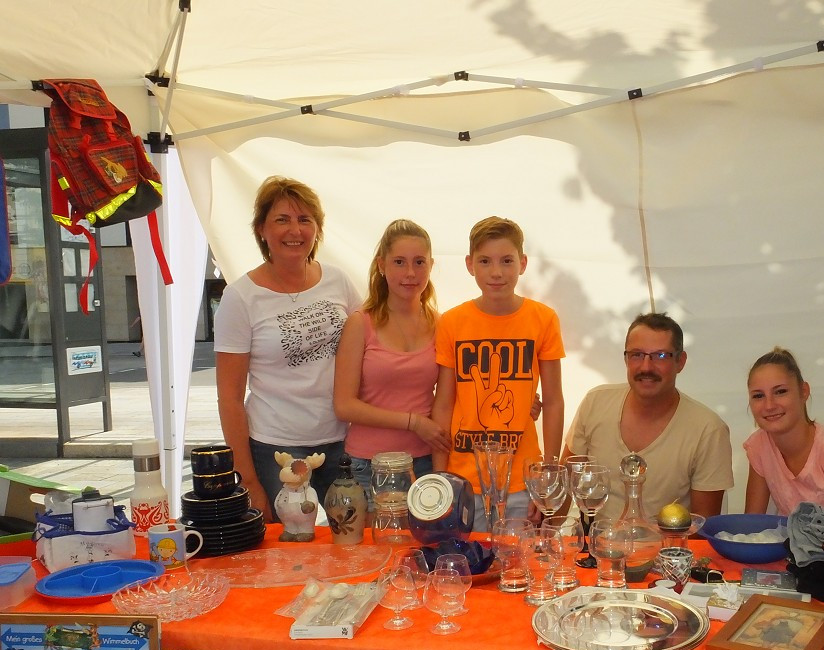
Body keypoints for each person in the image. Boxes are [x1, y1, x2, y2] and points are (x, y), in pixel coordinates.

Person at [215, 176, 362, 520]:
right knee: (287, 549)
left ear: (317, 229)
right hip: (275, 449)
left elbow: (367, 350)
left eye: (305, 219)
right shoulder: (241, 298)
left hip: (342, 441)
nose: (294, 230)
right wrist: (247, 478)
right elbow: (229, 398)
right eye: (282, 219)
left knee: (350, 541)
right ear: (262, 229)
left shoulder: (338, 281)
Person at [432, 216, 565, 529]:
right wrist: (441, 478)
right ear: (469, 264)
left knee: (518, 570)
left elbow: (555, 400)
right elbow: (443, 402)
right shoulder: (452, 322)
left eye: (507, 261)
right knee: (469, 568)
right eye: (485, 261)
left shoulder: (542, 319)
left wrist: (548, 474)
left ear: (522, 263)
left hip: (521, 478)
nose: (496, 272)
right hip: (463, 478)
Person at [563, 312, 733, 522]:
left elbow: (703, 527)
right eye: (637, 355)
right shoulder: (595, 403)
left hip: (667, 553)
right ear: (625, 359)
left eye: (660, 356)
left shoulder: (708, 429)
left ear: (680, 361)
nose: (646, 367)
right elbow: (564, 483)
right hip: (594, 549)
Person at [333, 220, 451, 511]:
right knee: (379, 553)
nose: (410, 273)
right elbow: (344, 405)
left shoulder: (441, 324)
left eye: (419, 262)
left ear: (431, 266)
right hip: (369, 465)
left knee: (422, 552)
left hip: (423, 463)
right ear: (381, 265)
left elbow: (451, 398)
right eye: (399, 262)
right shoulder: (360, 323)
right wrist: (413, 422)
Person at [743, 346, 824, 524]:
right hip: (789, 548)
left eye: (780, 392)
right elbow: (750, 526)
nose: (769, 405)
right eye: (758, 396)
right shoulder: (759, 445)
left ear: (804, 391)